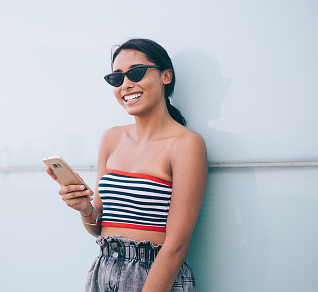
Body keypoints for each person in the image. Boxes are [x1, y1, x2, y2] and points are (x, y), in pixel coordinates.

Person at [46, 38, 208, 292]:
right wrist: (84, 208)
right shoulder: (111, 138)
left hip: (156, 277)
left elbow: (176, 247)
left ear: (166, 76)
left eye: (136, 72)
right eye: (117, 78)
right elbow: (98, 228)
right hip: (103, 271)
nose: (126, 84)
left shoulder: (186, 144)